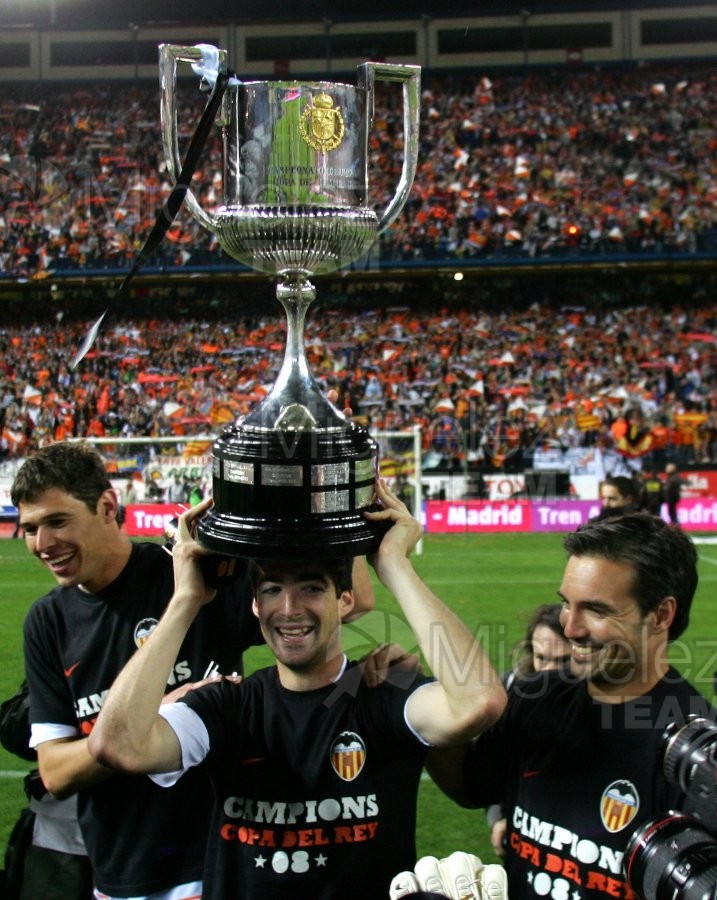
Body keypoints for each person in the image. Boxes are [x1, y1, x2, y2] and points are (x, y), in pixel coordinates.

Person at [87, 481, 508, 900]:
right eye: (272, 589)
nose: (289, 609)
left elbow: (479, 701)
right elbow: (117, 745)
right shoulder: (227, 706)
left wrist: (394, 564)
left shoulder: (384, 695)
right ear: (255, 605)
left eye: (310, 587)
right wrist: (187, 600)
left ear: (345, 600)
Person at [11, 441, 377, 900]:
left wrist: (327, 490)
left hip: (219, 861)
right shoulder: (47, 622)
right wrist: (143, 718)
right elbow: (57, 773)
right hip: (122, 873)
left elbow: (355, 599)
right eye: (29, 528)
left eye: (57, 521)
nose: (43, 544)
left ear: (107, 506)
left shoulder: (188, 573)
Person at [426, 512, 716, 900]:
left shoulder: (694, 753)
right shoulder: (535, 695)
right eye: (567, 604)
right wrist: (420, 707)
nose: (571, 628)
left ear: (661, 615)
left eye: (596, 610)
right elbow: (471, 785)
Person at [486, 604, 571, 856]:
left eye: (562, 660)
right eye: (541, 658)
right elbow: (494, 764)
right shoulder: (512, 690)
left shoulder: (602, 699)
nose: (548, 671)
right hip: (525, 830)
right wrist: (499, 817)